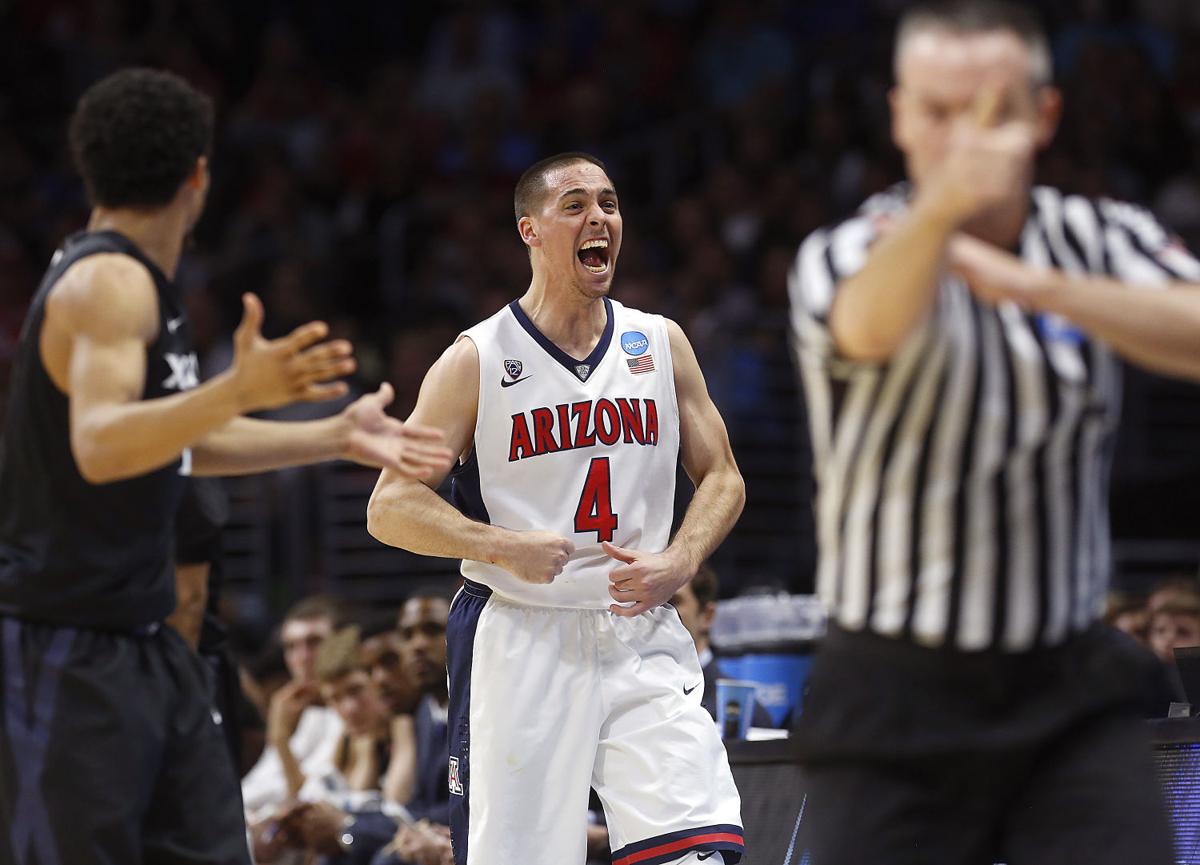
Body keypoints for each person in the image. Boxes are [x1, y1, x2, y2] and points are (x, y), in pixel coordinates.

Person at [0, 68, 453, 865]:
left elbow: (170, 441)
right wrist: (237, 389)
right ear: (198, 176)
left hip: (149, 646)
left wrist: (331, 436)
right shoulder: (106, 281)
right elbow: (102, 443)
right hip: (67, 646)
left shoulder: (136, 283)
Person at [788, 2, 1200, 862]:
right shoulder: (849, 248)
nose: (967, 142)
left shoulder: (1095, 235)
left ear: (1044, 117)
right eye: (940, 114)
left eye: (994, 114)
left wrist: (1034, 285)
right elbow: (867, 328)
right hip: (889, 690)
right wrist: (942, 216)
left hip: (1068, 682)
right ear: (900, 115)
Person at [368, 152, 747, 864]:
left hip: (639, 626)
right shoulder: (476, 357)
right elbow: (389, 505)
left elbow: (723, 476)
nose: (598, 217)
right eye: (574, 204)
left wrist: (682, 558)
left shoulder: (659, 343)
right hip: (521, 638)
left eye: (608, 202)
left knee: (698, 851)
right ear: (530, 230)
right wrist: (501, 544)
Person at [670, 564, 771, 727]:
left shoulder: (744, 713)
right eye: (653, 603)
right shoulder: (634, 696)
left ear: (707, 616)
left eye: (672, 602)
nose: (659, 612)